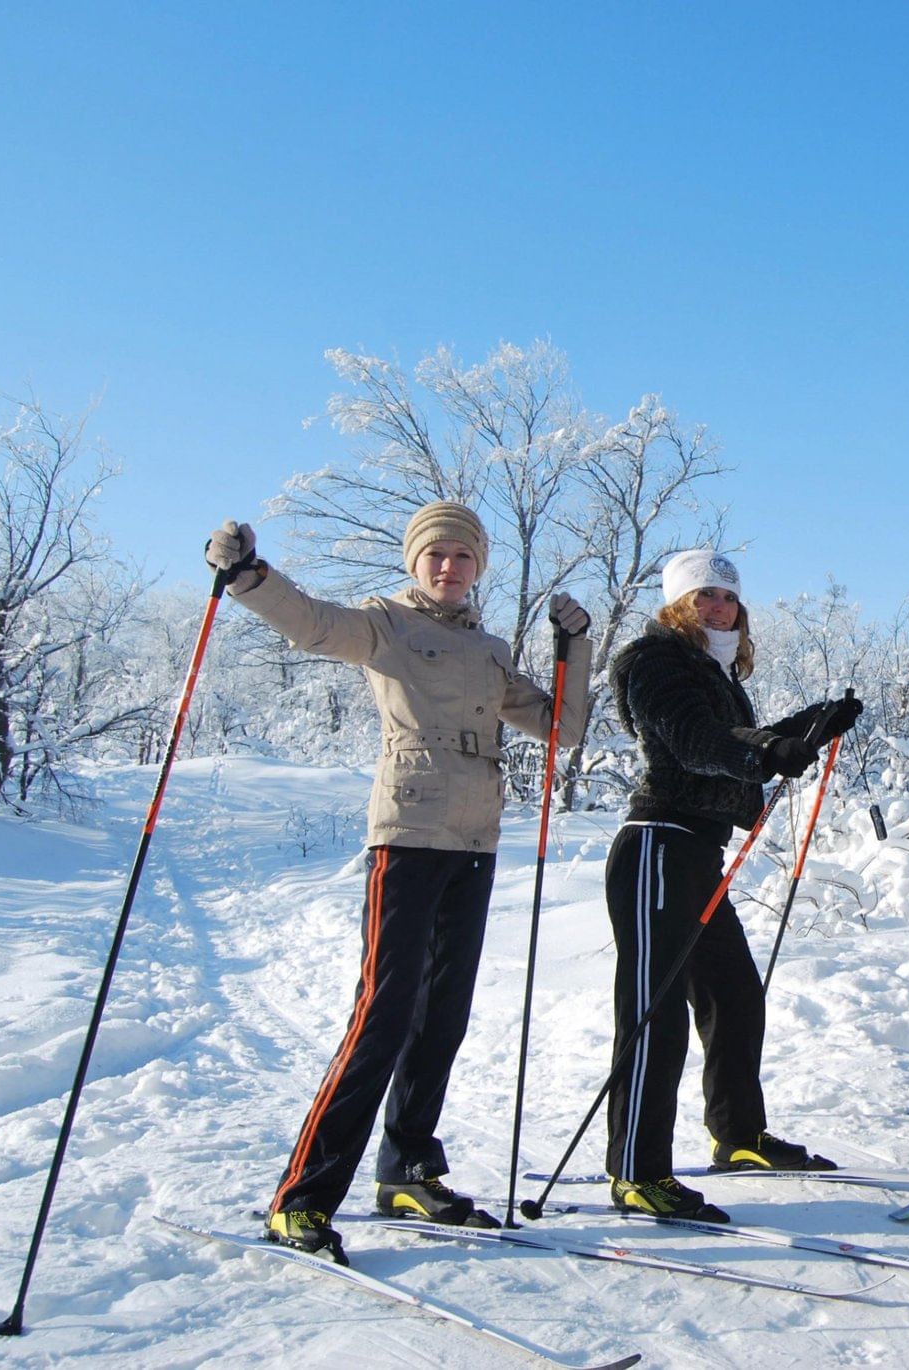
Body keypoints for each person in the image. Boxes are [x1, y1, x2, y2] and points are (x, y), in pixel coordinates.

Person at [206, 501, 592, 1263]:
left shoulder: (484, 648)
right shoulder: (384, 624)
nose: (448, 568)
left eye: (462, 557)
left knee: (441, 1014)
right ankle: (304, 1196)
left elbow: (563, 728)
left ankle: (408, 1168)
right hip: (409, 836)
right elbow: (313, 623)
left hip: (475, 841)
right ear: (415, 563)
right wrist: (249, 576)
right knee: (381, 1015)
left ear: (479, 566)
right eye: (435, 556)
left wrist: (573, 647)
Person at [602, 548, 863, 1222]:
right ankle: (636, 1170)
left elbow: (732, 735)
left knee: (734, 998)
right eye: (703, 595)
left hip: (697, 855)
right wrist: (763, 750)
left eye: (726, 595)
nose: (717, 606)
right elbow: (695, 740)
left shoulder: (713, 671)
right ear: (676, 604)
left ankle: (739, 1136)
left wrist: (809, 724)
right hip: (657, 847)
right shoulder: (652, 660)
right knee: (654, 1014)